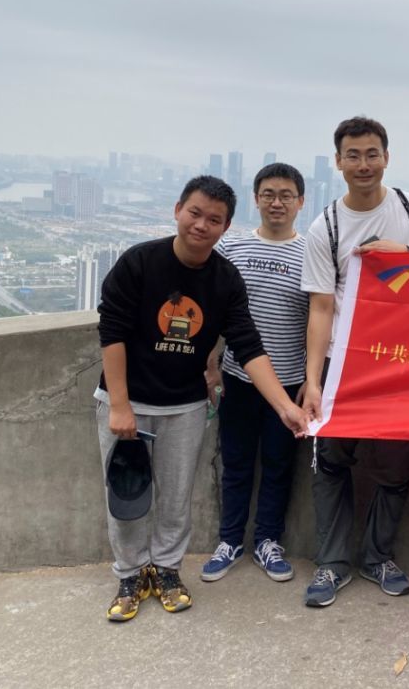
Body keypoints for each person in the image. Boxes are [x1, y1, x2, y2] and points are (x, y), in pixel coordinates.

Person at [95, 175, 308, 622]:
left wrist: (285, 407)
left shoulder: (225, 279)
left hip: (185, 405)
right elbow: (111, 332)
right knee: (127, 497)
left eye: (214, 219)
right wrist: (119, 405)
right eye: (194, 213)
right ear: (178, 210)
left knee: (176, 498)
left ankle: (167, 570)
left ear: (225, 227)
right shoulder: (139, 262)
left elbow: (248, 346)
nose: (201, 225)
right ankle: (130, 574)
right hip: (128, 402)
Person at [300, 115, 409, 608]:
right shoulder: (326, 226)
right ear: (338, 161)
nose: (363, 164)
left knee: (395, 465)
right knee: (330, 462)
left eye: (372, 154)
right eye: (353, 155)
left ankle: (378, 556)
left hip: (402, 362)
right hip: (344, 363)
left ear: (387, 157)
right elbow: (321, 308)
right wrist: (313, 381)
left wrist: (403, 254)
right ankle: (332, 562)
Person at [201, 163, 310, 583]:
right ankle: (229, 540)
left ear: (300, 202)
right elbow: (214, 312)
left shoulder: (311, 253)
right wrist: (212, 364)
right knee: (236, 462)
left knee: (279, 465)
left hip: (289, 382)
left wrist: (312, 381)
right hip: (238, 378)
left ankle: (268, 541)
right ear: (256, 199)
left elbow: (318, 321)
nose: (276, 202)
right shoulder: (233, 248)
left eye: (285, 195)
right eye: (268, 194)